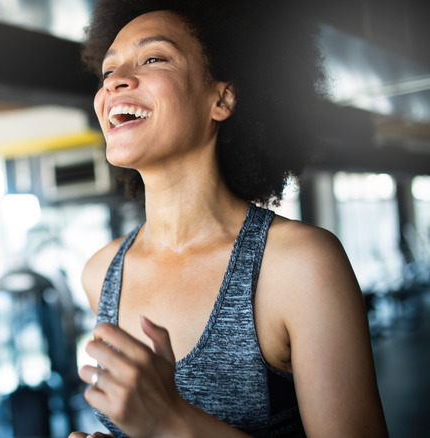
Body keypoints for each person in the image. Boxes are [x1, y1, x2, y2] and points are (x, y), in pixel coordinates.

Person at [70, 1, 389, 437]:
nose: (117, 81)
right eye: (108, 72)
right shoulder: (101, 273)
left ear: (221, 98)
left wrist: (173, 421)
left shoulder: (300, 266)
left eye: (154, 58)